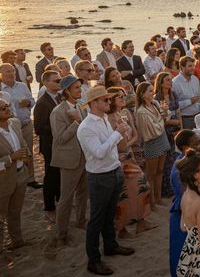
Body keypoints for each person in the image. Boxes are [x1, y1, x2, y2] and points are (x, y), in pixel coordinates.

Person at [77, 86, 135, 275]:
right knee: (96, 219)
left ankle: (110, 245)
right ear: (94, 103)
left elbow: (112, 147)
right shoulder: (86, 127)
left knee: (110, 214)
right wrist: (118, 132)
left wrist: (121, 134)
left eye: (109, 100)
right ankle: (93, 260)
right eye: (105, 100)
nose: (109, 103)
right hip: (99, 177)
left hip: (114, 171)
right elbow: (100, 152)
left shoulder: (104, 119)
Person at [106, 87, 155, 239]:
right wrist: (125, 144)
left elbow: (135, 135)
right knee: (124, 194)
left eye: (123, 95)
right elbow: (118, 145)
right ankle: (122, 229)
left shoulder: (126, 113)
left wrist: (126, 144)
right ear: (112, 100)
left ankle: (141, 221)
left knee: (142, 186)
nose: (122, 98)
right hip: (118, 159)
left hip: (129, 155)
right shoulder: (109, 118)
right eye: (118, 96)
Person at [169, 130, 200, 277]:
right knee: (187, 256)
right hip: (189, 217)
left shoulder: (195, 162)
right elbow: (191, 198)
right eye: (196, 143)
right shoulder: (180, 172)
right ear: (185, 147)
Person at [50, 75, 88, 246]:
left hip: (84, 157)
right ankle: (61, 232)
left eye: (80, 87)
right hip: (69, 159)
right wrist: (76, 123)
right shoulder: (57, 112)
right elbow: (59, 139)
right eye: (77, 88)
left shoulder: (81, 106)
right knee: (66, 198)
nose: (80, 90)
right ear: (67, 91)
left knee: (83, 193)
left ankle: (81, 220)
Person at [1, 63, 40, 189]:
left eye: (12, 71)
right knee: (12, 152)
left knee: (28, 151)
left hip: (25, 124)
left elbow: (32, 101)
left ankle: (31, 178)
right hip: (9, 127)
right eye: (7, 71)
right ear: (1, 74)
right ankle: (12, 179)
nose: (11, 73)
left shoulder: (22, 86)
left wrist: (28, 102)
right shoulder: (1, 91)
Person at [0, 96, 30, 253]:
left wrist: (26, 156)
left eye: (7, 106)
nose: (8, 109)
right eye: (3, 108)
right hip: (3, 180)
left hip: (21, 175)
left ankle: (17, 241)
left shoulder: (15, 124)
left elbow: (23, 144)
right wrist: (11, 158)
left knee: (15, 211)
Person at [135, 82, 171, 210]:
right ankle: (151, 202)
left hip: (162, 139)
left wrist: (165, 112)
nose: (153, 93)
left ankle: (158, 197)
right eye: (150, 91)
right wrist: (162, 118)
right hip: (152, 142)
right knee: (151, 173)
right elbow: (154, 130)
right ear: (142, 94)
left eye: (152, 90)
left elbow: (164, 118)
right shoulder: (141, 112)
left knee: (160, 171)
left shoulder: (155, 103)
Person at [32, 69, 61, 220]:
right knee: (51, 175)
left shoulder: (61, 97)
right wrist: (58, 125)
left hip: (62, 143)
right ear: (46, 83)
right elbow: (38, 129)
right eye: (56, 80)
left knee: (60, 173)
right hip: (49, 144)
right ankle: (49, 207)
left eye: (60, 80)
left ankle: (59, 198)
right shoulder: (42, 103)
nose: (59, 82)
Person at [154, 72, 182, 199]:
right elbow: (159, 118)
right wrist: (173, 121)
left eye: (171, 79)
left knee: (176, 158)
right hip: (164, 131)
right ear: (160, 82)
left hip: (175, 129)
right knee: (166, 161)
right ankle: (166, 190)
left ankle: (175, 186)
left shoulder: (173, 94)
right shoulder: (156, 98)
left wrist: (180, 126)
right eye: (167, 80)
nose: (170, 82)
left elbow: (178, 112)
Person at [173, 56, 200, 130]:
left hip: (198, 116)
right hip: (185, 119)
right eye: (190, 66)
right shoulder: (175, 83)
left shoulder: (195, 79)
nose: (193, 68)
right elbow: (174, 105)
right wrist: (190, 101)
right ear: (182, 67)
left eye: (193, 65)